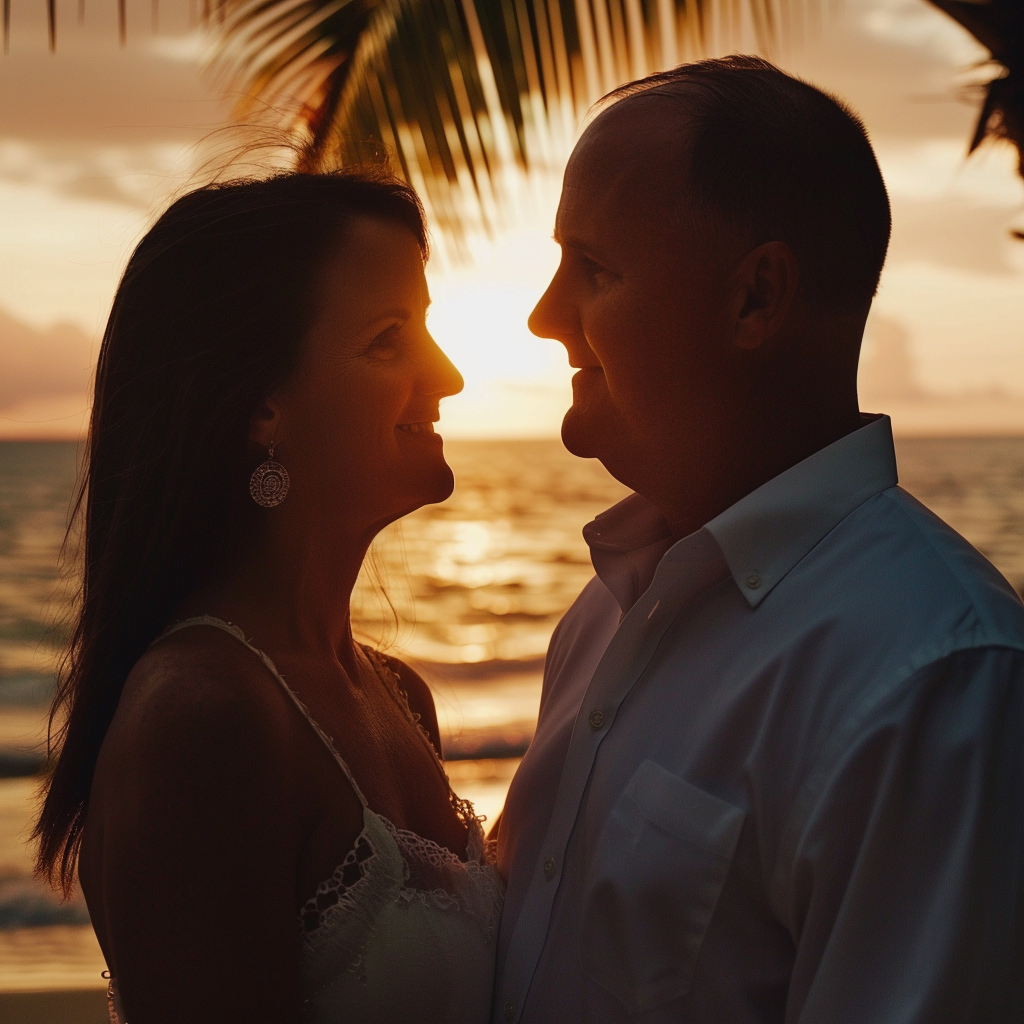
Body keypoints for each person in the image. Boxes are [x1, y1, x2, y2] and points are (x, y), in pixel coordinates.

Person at [494, 55, 1024, 1023]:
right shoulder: (601, 618)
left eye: (593, 269)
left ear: (755, 299)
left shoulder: (931, 679)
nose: (543, 317)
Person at [34, 171, 503, 1024]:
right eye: (390, 340)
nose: (450, 375)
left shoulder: (398, 694)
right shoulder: (204, 717)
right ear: (262, 410)